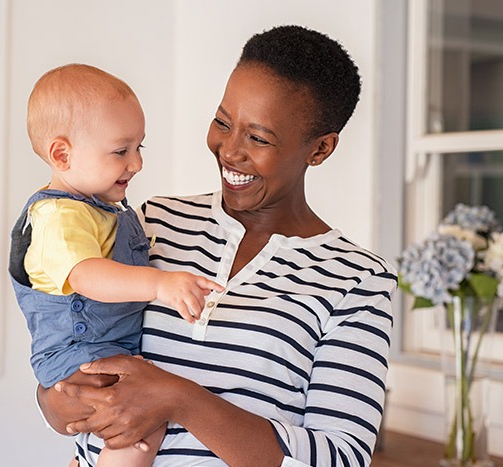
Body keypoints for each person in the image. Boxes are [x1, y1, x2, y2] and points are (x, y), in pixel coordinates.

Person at [34, 26, 398, 467]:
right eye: (223, 122)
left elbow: (342, 457)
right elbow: (70, 330)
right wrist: (54, 399)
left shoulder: (357, 280)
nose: (229, 150)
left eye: (259, 138)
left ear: (320, 149)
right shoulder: (149, 223)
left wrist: (180, 399)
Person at [9, 63, 224, 467]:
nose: (137, 163)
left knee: (141, 415)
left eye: (140, 147)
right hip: (80, 350)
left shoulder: (102, 209)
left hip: (104, 346)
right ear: (62, 154)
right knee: (138, 419)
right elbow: (88, 276)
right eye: (121, 151)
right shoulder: (59, 217)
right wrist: (161, 285)